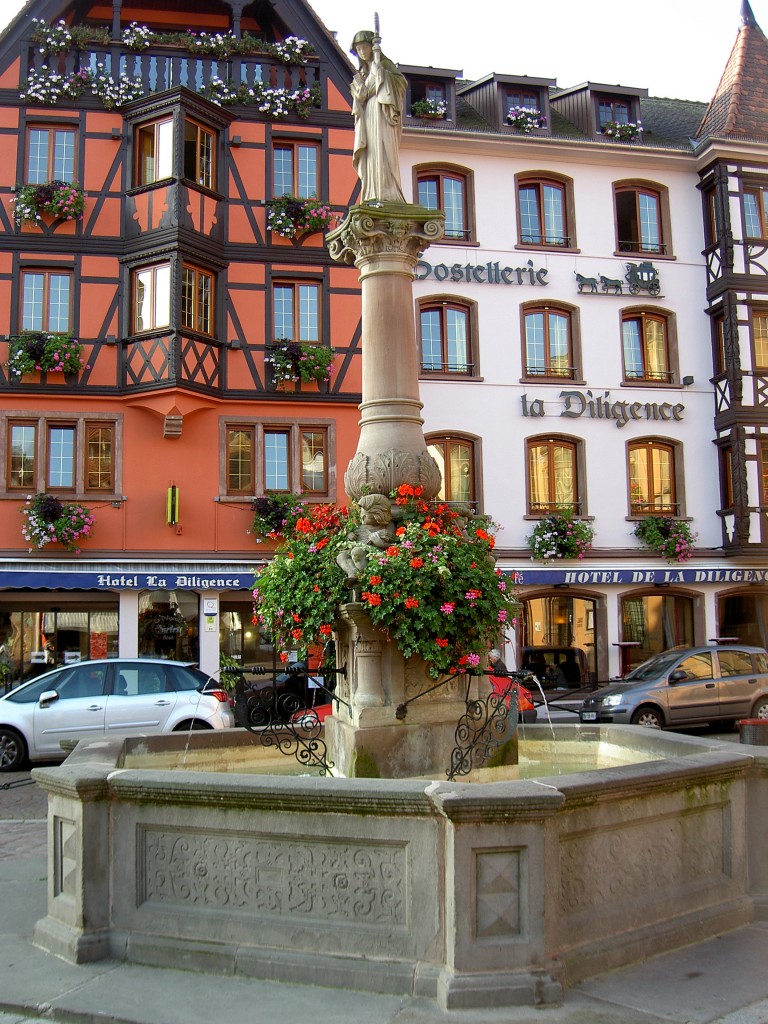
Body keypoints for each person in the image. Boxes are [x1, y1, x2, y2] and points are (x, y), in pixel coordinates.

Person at [349, 28, 407, 204]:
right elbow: (360, 100)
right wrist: (359, 95)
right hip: (368, 117)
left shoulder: (384, 65)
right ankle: (372, 193)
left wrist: (380, 71)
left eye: (364, 47)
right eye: (358, 49)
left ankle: (388, 191)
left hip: (382, 113)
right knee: (372, 153)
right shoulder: (363, 75)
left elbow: (400, 84)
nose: (361, 51)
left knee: (384, 149)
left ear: (372, 47)